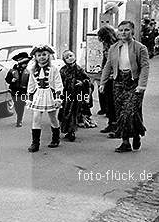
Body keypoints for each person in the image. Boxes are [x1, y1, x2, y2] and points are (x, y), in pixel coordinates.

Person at [99, 20, 149, 153]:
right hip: (119, 82)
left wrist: (142, 85)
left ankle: (136, 134)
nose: (123, 32)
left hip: (134, 83)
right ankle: (126, 141)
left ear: (132, 31)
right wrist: (103, 82)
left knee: (130, 111)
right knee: (121, 112)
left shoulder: (140, 48)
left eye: (126, 30)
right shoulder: (114, 48)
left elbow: (145, 66)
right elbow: (108, 65)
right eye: (120, 30)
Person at [26, 45, 64, 152]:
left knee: (52, 117)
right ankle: (35, 143)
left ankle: (55, 138)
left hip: (50, 95)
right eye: (39, 55)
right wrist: (29, 97)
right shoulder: (32, 70)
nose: (42, 57)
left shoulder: (54, 69)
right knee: (36, 117)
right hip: (39, 95)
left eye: (44, 54)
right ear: (35, 57)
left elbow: (58, 84)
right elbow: (31, 84)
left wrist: (58, 98)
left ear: (48, 56)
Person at [58, 50, 91, 142]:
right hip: (66, 95)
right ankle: (66, 130)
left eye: (71, 55)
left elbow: (87, 79)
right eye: (67, 57)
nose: (70, 58)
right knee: (65, 112)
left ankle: (72, 131)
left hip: (77, 95)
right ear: (64, 60)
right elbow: (58, 83)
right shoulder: (63, 70)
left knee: (73, 113)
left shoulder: (79, 69)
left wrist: (82, 83)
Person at [97, 26, 118, 135]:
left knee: (114, 102)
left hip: (116, 77)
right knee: (108, 101)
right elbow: (105, 61)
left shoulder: (117, 45)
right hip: (108, 76)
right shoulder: (107, 45)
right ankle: (111, 123)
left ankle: (116, 125)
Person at [5, 51, 31, 127]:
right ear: (19, 63)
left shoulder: (27, 72)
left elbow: (30, 83)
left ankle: (19, 120)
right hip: (14, 91)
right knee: (17, 106)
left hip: (23, 91)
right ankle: (19, 116)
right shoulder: (12, 71)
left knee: (21, 105)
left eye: (27, 63)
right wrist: (11, 80)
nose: (26, 65)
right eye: (24, 63)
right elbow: (7, 79)